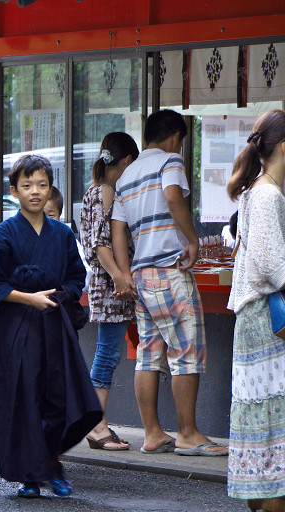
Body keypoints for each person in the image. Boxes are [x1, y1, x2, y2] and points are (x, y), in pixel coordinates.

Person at [0, 154, 101, 498]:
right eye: (27, 185)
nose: (35, 192)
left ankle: (52, 461)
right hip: (14, 326)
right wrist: (27, 298)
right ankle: (29, 475)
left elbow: (77, 276)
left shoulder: (62, 234)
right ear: (14, 190)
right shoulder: (3, 233)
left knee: (61, 397)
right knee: (23, 399)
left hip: (53, 325)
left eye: (42, 185)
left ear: (51, 189)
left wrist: (62, 295)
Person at [111, 109, 227, 456]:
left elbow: (118, 230)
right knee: (186, 350)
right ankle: (188, 434)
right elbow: (174, 197)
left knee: (148, 355)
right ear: (176, 136)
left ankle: (152, 434)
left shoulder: (127, 175)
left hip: (142, 276)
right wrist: (192, 240)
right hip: (169, 270)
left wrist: (125, 272)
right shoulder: (169, 162)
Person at [225, 110, 285, 512]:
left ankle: (260, 497)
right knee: (270, 415)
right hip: (268, 317)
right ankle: (270, 499)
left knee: (261, 414)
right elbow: (272, 263)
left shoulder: (257, 189)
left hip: (255, 317)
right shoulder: (267, 194)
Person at [79, 133, 139, 452]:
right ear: (127, 161)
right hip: (110, 286)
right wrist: (120, 278)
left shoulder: (95, 190)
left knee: (108, 351)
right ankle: (96, 424)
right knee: (107, 353)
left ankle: (97, 422)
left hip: (105, 285)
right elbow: (101, 244)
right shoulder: (107, 192)